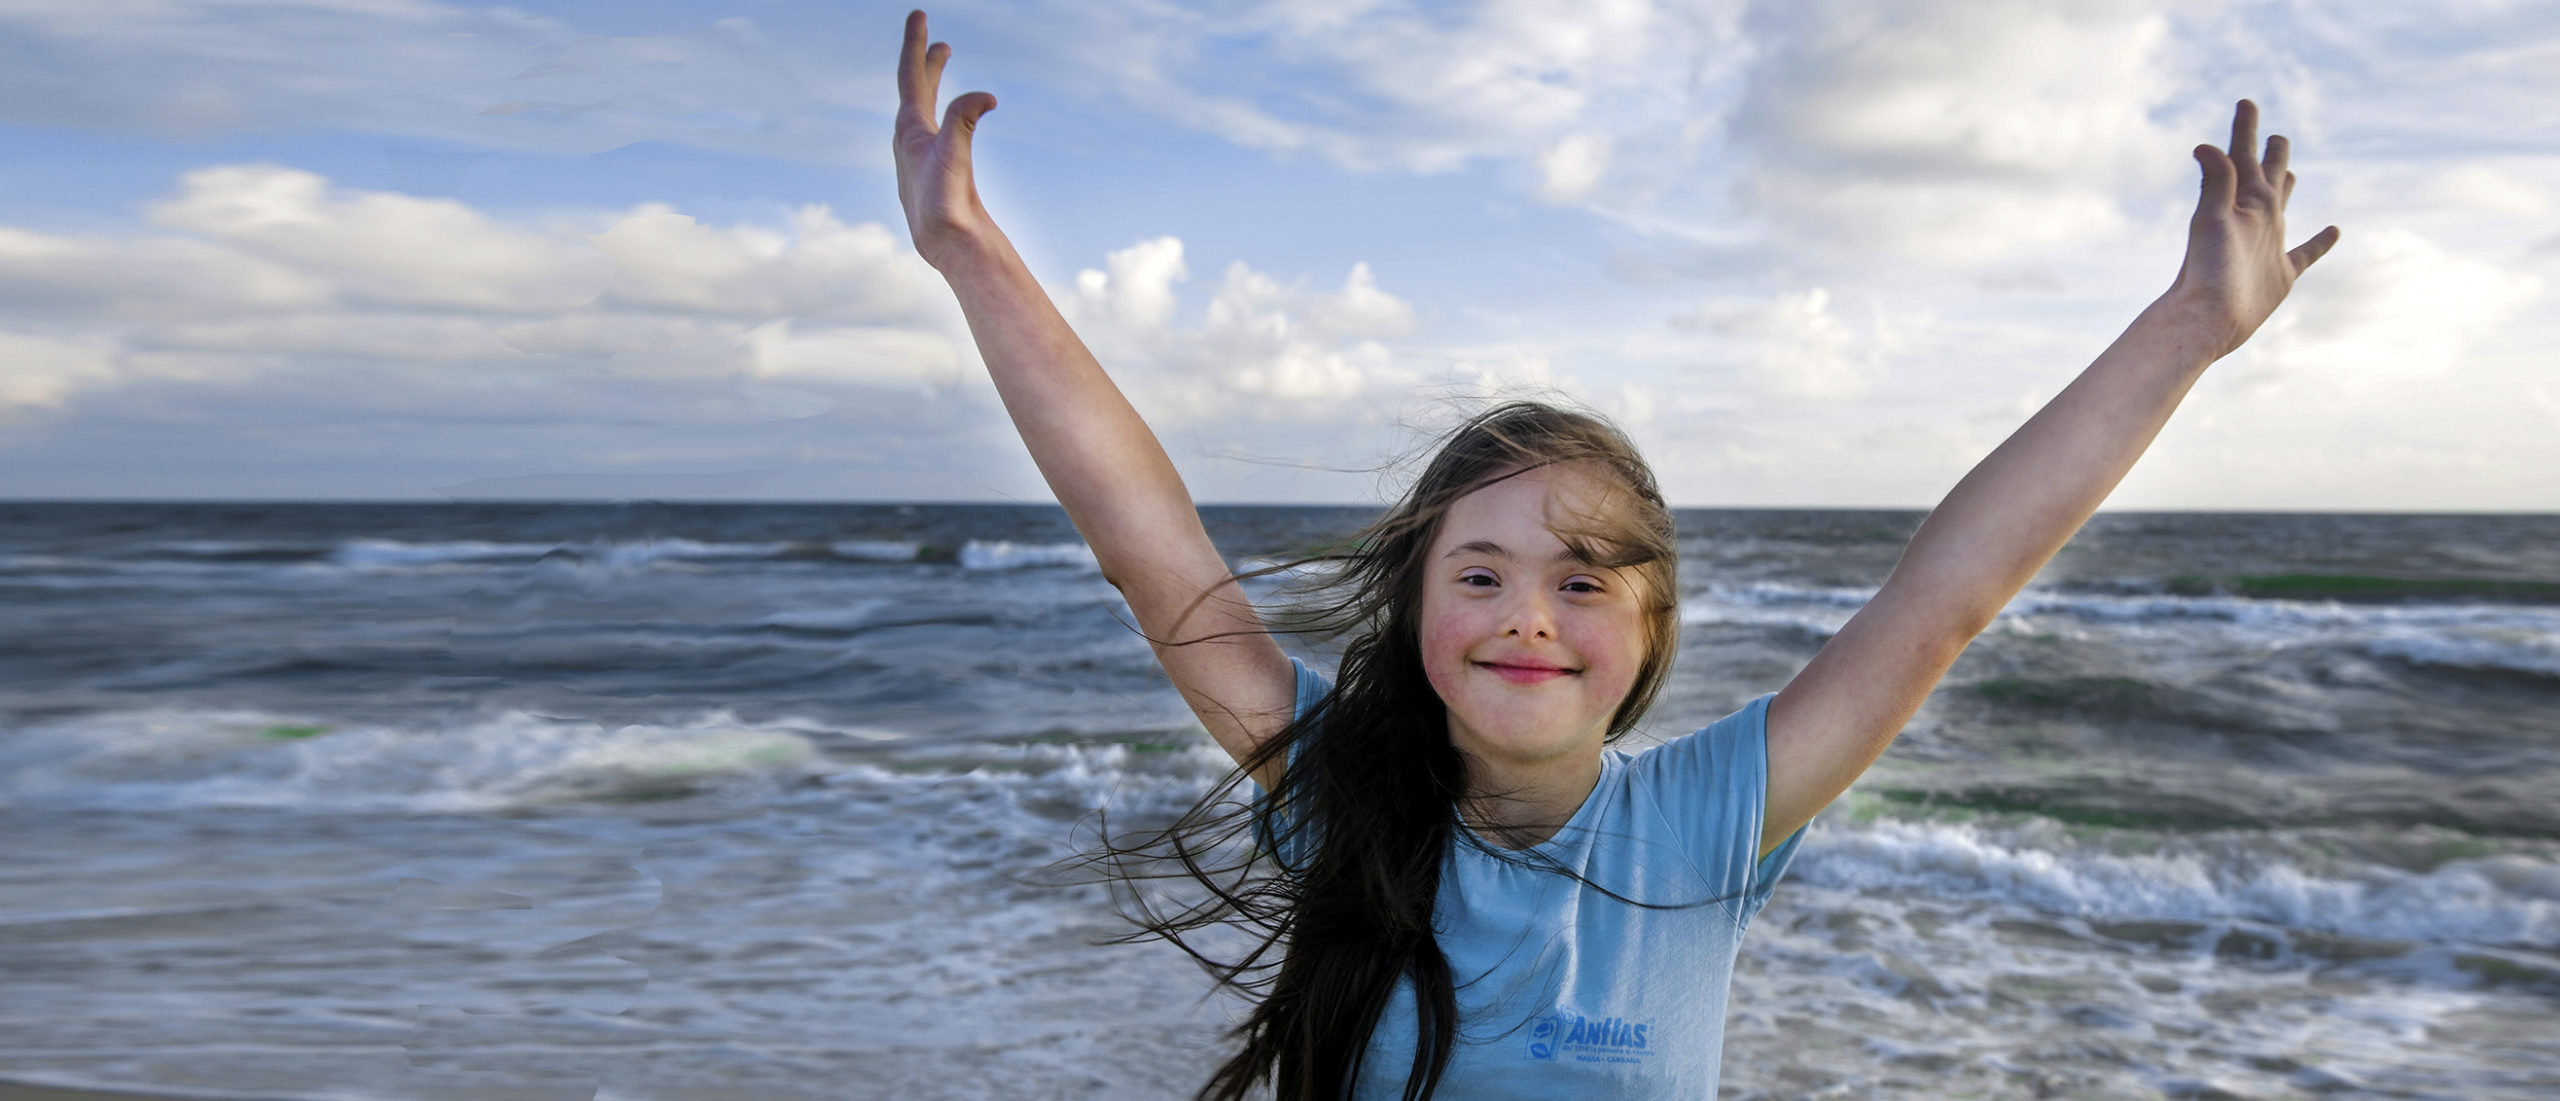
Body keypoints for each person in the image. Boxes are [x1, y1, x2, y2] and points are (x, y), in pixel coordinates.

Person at [889, 9, 2341, 1099]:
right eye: (1482, 573)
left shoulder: (1708, 818)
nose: (1530, 615)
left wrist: (2186, 332)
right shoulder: (1340, 793)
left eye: (1583, 578)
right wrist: (972, 253)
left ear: (1649, 633)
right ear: (1413, 614)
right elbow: (1154, 555)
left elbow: (1946, 593)